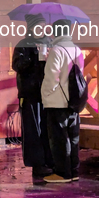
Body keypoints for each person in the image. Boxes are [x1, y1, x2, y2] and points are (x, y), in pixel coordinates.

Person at [41, 19, 84, 184]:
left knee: (59, 138)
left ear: (55, 32)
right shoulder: (77, 49)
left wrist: (46, 95)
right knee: (73, 137)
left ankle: (62, 172)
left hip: (57, 101)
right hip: (74, 101)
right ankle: (73, 170)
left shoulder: (57, 50)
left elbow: (52, 78)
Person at [12, 13, 53, 181]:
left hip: (47, 92)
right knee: (32, 130)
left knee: (47, 128)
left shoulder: (49, 41)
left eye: (43, 25)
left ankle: (49, 161)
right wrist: (34, 58)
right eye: (38, 26)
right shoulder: (23, 44)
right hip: (30, 93)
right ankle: (37, 164)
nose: (41, 29)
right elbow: (17, 65)